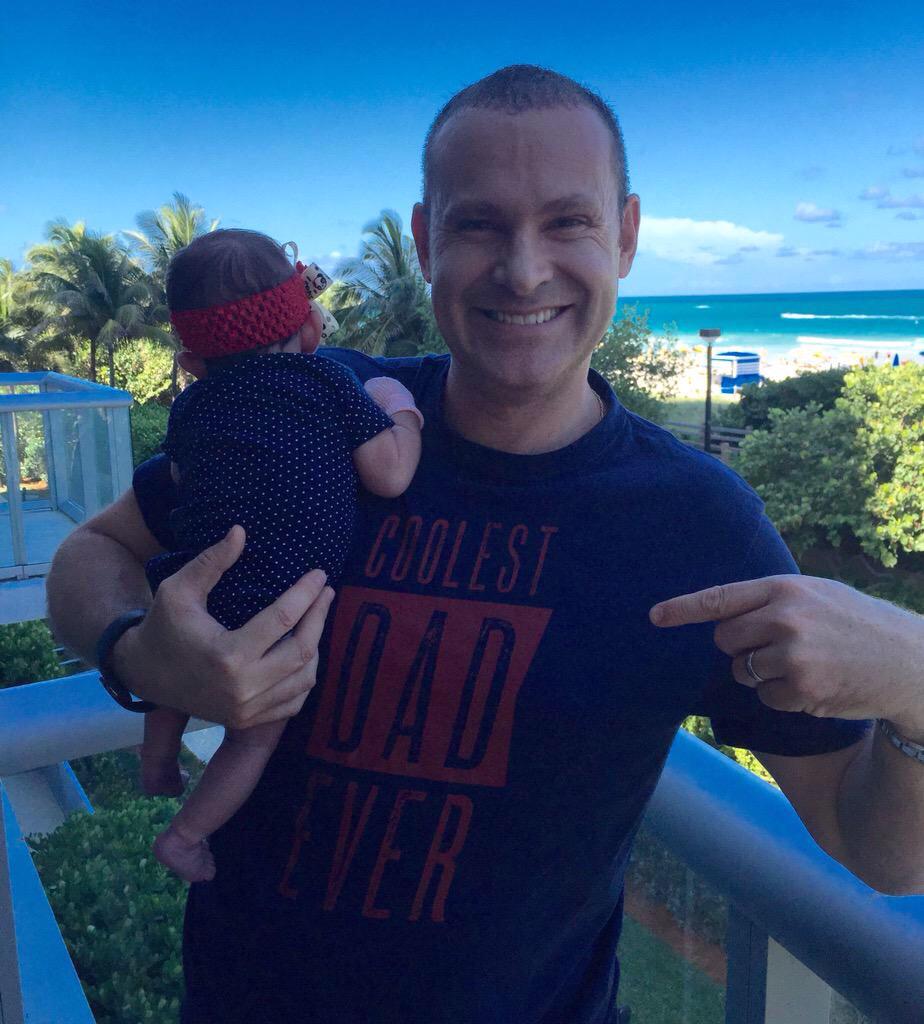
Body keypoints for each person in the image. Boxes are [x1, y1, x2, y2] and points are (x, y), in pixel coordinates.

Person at [47, 65, 924, 1024]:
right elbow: (92, 554)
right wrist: (136, 651)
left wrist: (916, 685)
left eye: (568, 221)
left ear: (626, 236)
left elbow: (876, 847)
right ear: (426, 241)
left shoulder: (699, 523)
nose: (524, 270)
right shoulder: (322, 408)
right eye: (478, 225)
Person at [138, 229, 424, 882]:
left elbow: (179, 477)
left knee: (170, 658)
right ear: (311, 330)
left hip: (195, 582)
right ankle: (185, 835)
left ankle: (157, 760)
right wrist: (401, 413)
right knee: (256, 734)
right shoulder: (326, 380)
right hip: (277, 600)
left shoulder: (193, 404)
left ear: (191, 361)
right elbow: (390, 475)